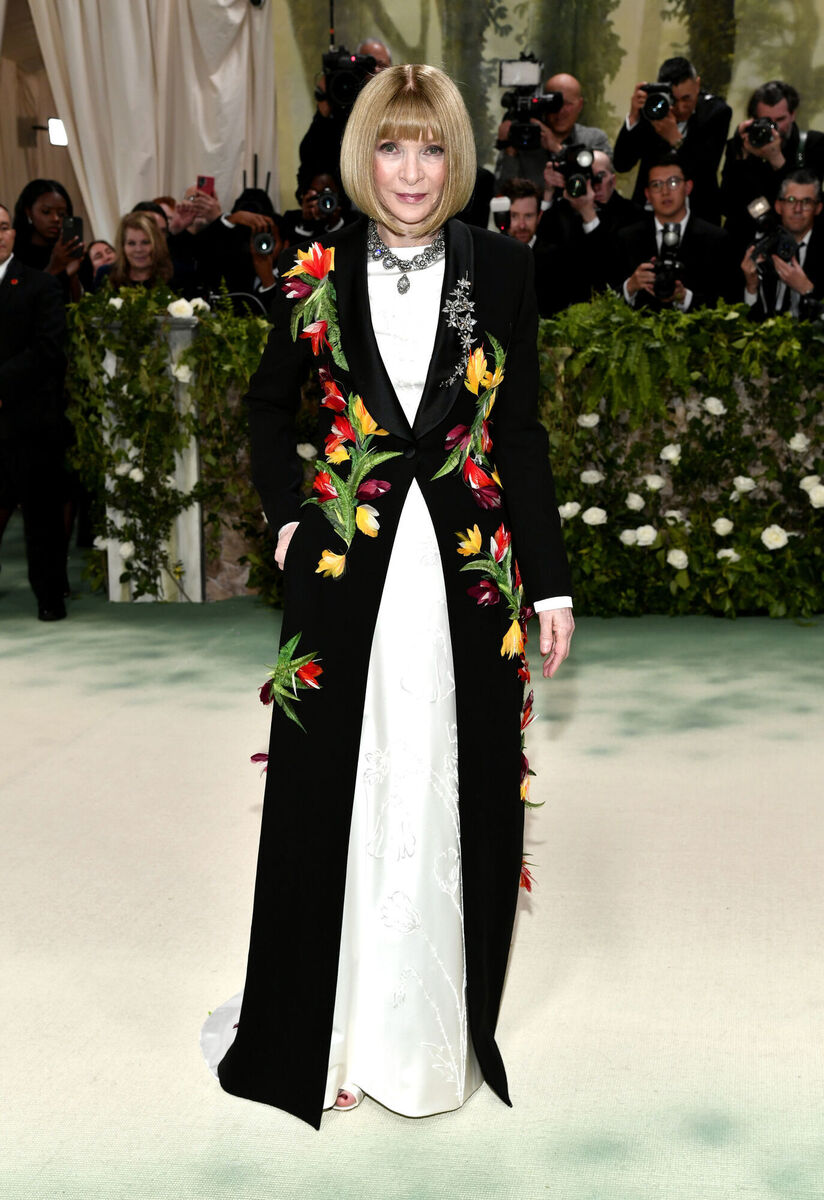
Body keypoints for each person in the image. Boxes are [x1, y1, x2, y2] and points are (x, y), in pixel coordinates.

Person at [206, 63, 574, 1130]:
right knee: (338, 782)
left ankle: (423, 1036)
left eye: (428, 147)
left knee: (443, 777)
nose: (409, 171)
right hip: (343, 568)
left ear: (454, 157)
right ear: (360, 156)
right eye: (388, 146)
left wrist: (545, 584)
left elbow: (520, 434)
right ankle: (327, 1030)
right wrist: (284, 514)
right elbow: (268, 409)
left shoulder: (499, 269)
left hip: (460, 572)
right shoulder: (317, 268)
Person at [0, 203, 68, 620]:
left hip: (29, 420)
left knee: (41, 516)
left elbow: (48, 351)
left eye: (4, 227)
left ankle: (49, 597)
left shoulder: (40, 285)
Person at [613, 57, 731, 224]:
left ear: (697, 85)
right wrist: (633, 117)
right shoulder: (654, 109)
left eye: (687, 99)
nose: (681, 107)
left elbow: (706, 170)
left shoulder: (716, 113)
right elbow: (622, 164)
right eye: (674, 100)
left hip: (697, 217)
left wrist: (675, 139)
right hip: (649, 214)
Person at [614, 155, 738, 312]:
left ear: (688, 187)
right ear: (647, 194)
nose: (665, 192)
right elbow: (603, 298)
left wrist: (685, 297)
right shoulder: (626, 238)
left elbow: (729, 301)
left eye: (673, 183)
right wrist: (630, 286)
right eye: (656, 185)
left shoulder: (717, 239)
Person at [721, 80, 824, 255]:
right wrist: (744, 158)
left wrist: (777, 159)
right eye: (767, 121)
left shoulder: (811, 145)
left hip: (795, 248)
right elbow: (727, 205)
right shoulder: (741, 145)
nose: (775, 128)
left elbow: (807, 204)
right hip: (743, 245)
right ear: (753, 119)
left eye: (781, 119)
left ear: (793, 115)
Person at [536, 151, 643, 313]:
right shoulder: (565, 210)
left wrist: (588, 213)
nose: (594, 184)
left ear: (613, 181)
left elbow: (611, 269)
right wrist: (550, 193)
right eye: (588, 177)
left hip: (613, 311)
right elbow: (541, 250)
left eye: (600, 176)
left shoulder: (632, 214)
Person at [495, 72, 612, 195]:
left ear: (580, 105)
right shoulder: (523, 139)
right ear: (543, 104)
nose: (560, 111)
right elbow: (502, 195)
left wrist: (557, 148)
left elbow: (602, 186)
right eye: (554, 104)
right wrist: (509, 151)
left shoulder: (594, 139)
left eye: (568, 104)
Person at [298, 38, 393, 186]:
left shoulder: (402, 107)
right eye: (368, 65)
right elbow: (311, 161)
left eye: (381, 65)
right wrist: (324, 113)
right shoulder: (341, 109)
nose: (375, 71)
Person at [742, 170, 824, 319]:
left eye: (806, 202)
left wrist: (806, 289)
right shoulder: (761, 246)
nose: (798, 209)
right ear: (778, 206)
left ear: (818, 208)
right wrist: (751, 287)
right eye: (791, 200)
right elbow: (746, 320)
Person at [11, 179, 85, 302]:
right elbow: (18, 303)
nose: (56, 219)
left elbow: (81, 306)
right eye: (46, 212)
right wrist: (54, 267)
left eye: (61, 214)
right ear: (29, 212)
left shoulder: (70, 251)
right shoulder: (14, 255)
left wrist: (72, 275)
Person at [94, 211, 176, 292]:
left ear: (157, 244)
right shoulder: (105, 275)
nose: (138, 249)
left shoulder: (176, 274)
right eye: (131, 243)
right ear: (122, 246)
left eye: (145, 242)